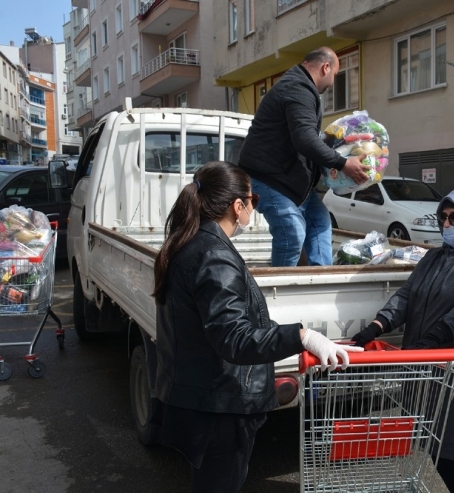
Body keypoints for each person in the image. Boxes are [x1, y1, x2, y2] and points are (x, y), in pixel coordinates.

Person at [151, 161, 363, 493]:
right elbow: (234, 338)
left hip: (207, 399)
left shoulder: (194, 242)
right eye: (255, 200)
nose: (255, 207)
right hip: (221, 406)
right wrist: (302, 336)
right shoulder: (214, 256)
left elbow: (237, 321)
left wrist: (298, 337)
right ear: (238, 207)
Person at [352, 184, 454, 493]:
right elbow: (407, 296)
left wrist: (432, 340)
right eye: (444, 218)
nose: (448, 225)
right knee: (437, 447)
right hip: (429, 367)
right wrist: (376, 326)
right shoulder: (436, 257)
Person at [238, 46, 370, 267]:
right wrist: (343, 163)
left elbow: (306, 139)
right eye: (336, 75)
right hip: (271, 180)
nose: (333, 82)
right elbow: (305, 139)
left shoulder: (299, 86)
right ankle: (281, 294)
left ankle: (320, 281)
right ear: (325, 67)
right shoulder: (298, 88)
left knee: (320, 222)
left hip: (293, 184)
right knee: (292, 235)